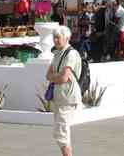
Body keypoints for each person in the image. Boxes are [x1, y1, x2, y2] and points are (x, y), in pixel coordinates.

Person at [46, 25, 82, 156]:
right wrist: (57, 77)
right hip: (59, 98)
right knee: (62, 133)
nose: (55, 40)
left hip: (68, 98)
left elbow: (63, 78)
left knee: (61, 132)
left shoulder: (71, 54)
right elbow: (48, 75)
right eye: (54, 37)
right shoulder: (57, 53)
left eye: (58, 37)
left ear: (66, 38)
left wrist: (55, 77)